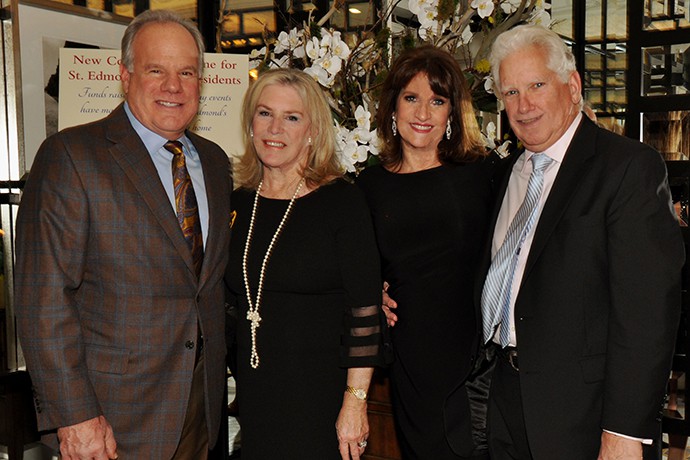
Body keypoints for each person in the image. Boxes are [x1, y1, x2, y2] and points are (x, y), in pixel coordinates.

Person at [14, 9, 232, 459]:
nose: (174, 86)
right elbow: (43, 300)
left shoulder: (214, 163)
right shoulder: (71, 156)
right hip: (109, 420)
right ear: (126, 75)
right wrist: (74, 417)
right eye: (157, 70)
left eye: (186, 72)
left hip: (201, 410)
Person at [460, 23, 684, 459]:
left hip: (582, 418)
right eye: (510, 92)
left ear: (573, 85)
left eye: (537, 85)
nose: (523, 105)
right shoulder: (507, 174)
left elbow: (646, 316)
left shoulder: (626, 169)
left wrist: (623, 432)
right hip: (498, 399)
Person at [225, 68, 388, 460]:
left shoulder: (341, 204)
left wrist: (355, 403)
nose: (274, 127)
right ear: (250, 123)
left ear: (312, 131)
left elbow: (365, 311)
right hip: (254, 394)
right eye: (265, 113)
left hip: (321, 399)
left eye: (291, 117)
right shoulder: (238, 201)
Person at [357, 45, 493, 459]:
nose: (423, 113)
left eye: (437, 101)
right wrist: (369, 294)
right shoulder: (368, 185)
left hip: (474, 362)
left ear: (451, 113)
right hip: (411, 359)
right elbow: (356, 264)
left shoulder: (482, 175)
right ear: (393, 107)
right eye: (411, 98)